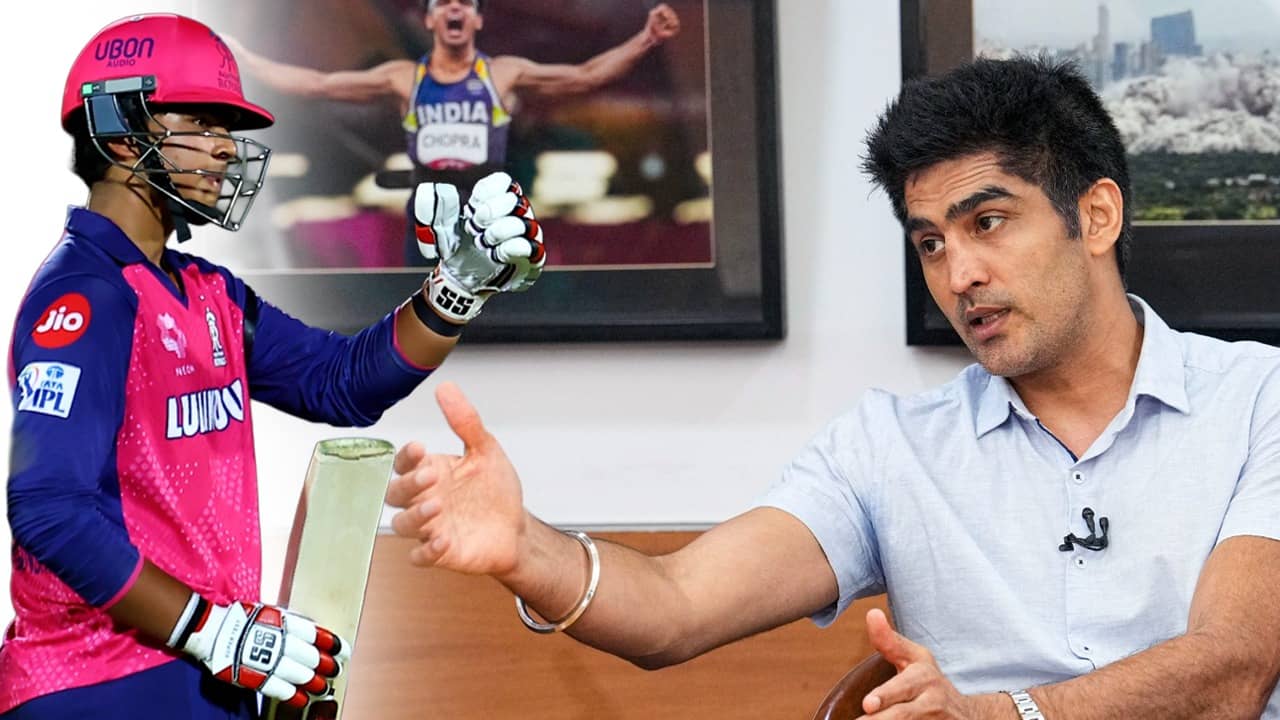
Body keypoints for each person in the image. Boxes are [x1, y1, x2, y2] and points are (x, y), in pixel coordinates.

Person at [385, 56, 1280, 719]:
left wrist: (998, 715)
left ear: (1097, 215)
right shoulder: (890, 448)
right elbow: (676, 607)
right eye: (930, 242)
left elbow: (1235, 667)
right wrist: (524, 550)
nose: (959, 273)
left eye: (988, 222)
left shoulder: (1256, 401)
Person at [2, 12, 544, 719]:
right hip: (96, 681)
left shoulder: (210, 293)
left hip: (205, 665)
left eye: (229, 128)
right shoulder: (83, 295)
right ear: (120, 130)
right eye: (204, 122)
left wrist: (458, 286)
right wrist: (209, 629)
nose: (227, 149)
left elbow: (344, 384)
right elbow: (48, 507)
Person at [226, 0, 681, 263]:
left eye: (465, 3)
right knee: (427, 312)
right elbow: (319, 84)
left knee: (490, 303)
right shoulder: (405, 78)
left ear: (478, 20)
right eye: (444, 3)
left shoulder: (502, 73)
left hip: (488, 215)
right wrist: (246, 60)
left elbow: (585, 76)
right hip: (428, 218)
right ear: (430, 20)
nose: (455, 8)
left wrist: (647, 38)